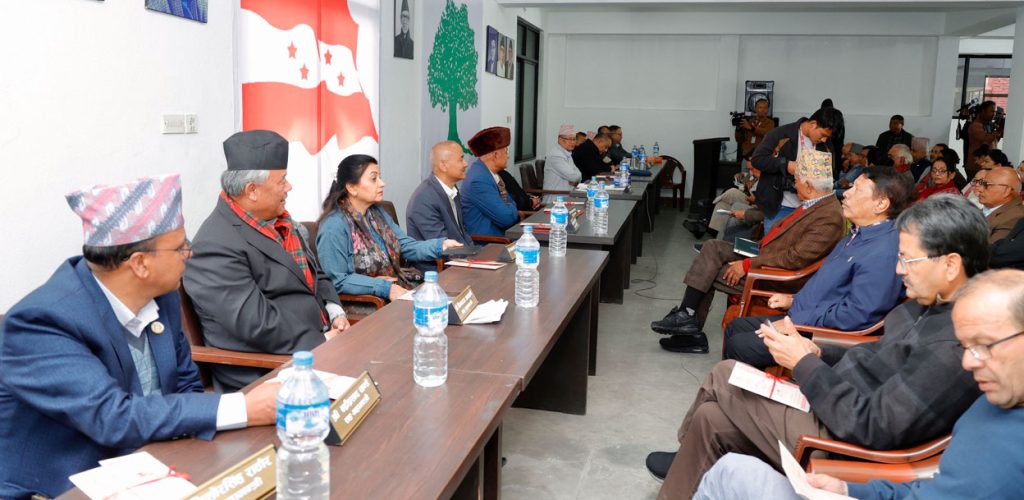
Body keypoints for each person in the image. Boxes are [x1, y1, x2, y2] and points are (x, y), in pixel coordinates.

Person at [648, 194, 987, 498]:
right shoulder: (928, 306)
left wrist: (803, 364)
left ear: (950, 264)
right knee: (710, 418)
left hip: (839, 440)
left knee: (725, 374)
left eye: (908, 260)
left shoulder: (954, 345)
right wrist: (818, 351)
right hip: (832, 403)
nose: (899, 270)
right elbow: (878, 354)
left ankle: (682, 458)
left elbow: (874, 426)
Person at [0, 175, 278, 497]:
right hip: (64, 488)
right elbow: (113, 418)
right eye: (180, 247)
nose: (189, 253)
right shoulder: (41, 323)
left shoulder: (162, 294)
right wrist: (242, 408)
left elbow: (186, 387)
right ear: (140, 264)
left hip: (150, 465)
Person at [692, 269, 1024, 500]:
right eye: (968, 347)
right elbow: (928, 487)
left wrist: (806, 363)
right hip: (842, 409)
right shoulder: (992, 401)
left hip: (843, 427)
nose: (969, 362)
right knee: (719, 431)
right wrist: (850, 490)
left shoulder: (949, 352)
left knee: (728, 399)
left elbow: (877, 425)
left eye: (983, 346)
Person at [184, 130, 349, 392]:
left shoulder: (280, 223)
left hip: (315, 345)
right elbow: (256, 324)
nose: (289, 186)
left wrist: (334, 310)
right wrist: (321, 341)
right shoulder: (214, 245)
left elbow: (315, 275)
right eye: (282, 180)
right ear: (252, 190)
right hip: (269, 370)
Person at [652, 149, 844, 353]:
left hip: (776, 275)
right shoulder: (815, 204)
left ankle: (689, 327)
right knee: (712, 247)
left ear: (809, 185)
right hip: (764, 254)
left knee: (709, 270)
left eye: (796, 181)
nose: (794, 185)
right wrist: (755, 249)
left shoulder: (828, 217)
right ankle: (687, 317)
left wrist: (747, 264)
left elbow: (795, 259)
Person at [723, 166, 911, 369]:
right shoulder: (857, 235)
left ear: (881, 204)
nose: (846, 194)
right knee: (735, 328)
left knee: (740, 345)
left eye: (857, 189)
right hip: (805, 315)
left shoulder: (883, 252)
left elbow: (856, 314)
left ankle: (749, 388)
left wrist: (797, 323)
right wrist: (793, 300)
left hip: (822, 332)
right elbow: (829, 287)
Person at [317, 155, 460, 303]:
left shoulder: (377, 212)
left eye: (380, 177)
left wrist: (440, 246)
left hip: (395, 289)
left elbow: (404, 245)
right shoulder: (334, 226)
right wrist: (382, 287)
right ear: (352, 188)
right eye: (374, 179)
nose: (382, 183)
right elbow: (338, 280)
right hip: (367, 303)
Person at [751, 106, 844, 231]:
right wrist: (785, 165)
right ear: (813, 124)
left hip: (810, 209)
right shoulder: (781, 134)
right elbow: (757, 159)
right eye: (822, 135)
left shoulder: (826, 144)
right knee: (773, 241)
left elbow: (831, 172)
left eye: (827, 137)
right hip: (779, 206)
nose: (824, 140)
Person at [406, 141, 473, 251]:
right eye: (461, 159)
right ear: (443, 166)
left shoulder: (452, 189)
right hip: (440, 261)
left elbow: (462, 233)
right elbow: (442, 247)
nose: (465, 164)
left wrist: (476, 253)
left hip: (460, 255)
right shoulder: (424, 198)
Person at [461, 126, 520, 236]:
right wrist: (512, 209)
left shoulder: (488, 173)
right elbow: (507, 218)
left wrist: (510, 208)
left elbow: (510, 203)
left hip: (502, 237)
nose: (508, 156)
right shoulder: (479, 180)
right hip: (489, 242)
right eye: (506, 152)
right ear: (495, 155)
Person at [977, 166, 1024, 244]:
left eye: (987, 185)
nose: (980, 189)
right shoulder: (986, 207)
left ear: (1006, 191)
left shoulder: (1016, 216)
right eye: (982, 183)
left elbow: (991, 248)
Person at [543, 124, 583, 203]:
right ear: (560, 139)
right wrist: (574, 178)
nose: (573, 142)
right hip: (555, 200)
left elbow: (579, 176)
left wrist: (575, 178)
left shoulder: (567, 153)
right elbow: (574, 177)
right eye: (569, 139)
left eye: (574, 139)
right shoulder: (556, 155)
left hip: (567, 195)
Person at [965, 101, 1003, 179]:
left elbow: (994, 141)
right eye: (991, 111)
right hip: (976, 167)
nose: (993, 114)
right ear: (982, 111)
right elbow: (986, 140)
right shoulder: (975, 126)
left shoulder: (987, 125)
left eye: (994, 112)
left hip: (986, 166)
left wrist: (999, 130)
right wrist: (999, 130)